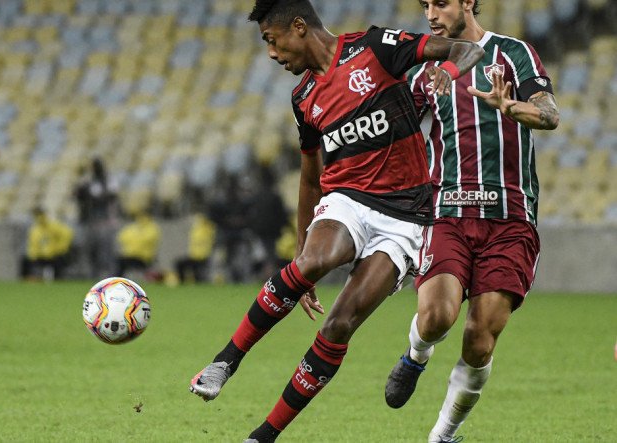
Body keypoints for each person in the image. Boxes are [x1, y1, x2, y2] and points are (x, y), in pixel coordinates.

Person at [188, 1, 484, 441]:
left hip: (406, 216)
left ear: (299, 27)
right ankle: (225, 361)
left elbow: (464, 50)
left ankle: (263, 435)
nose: (271, 54)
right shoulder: (304, 98)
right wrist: (299, 252)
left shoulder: (374, 47)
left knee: (339, 324)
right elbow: (310, 179)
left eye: (272, 41)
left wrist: (448, 71)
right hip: (346, 198)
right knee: (317, 259)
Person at [383, 1, 560, 442]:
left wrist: (510, 106)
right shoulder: (426, 71)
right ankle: (416, 354)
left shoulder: (513, 54)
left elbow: (551, 115)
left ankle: (443, 435)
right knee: (436, 316)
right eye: (424, 4)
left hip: (511, 218)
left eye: (440, 3)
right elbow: (400, 137)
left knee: (480, 339)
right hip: (448, 213)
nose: (430, 13)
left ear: (468, 2)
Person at [74, 157, 120, 279]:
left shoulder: (108, 180)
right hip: (92, 221)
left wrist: (94, 196)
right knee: (92, 251)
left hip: (106, 221)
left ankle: (110, 275)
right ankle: (94, 275)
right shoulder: (90, 182)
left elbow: (111, 196)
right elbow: (79, 195)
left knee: (106, 251)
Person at [22, 207, 74, 281]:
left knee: (59, 262)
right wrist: (34, 255)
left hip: (55, 255)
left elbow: (67, 235)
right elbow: (33, 245)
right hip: (41, 256)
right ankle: (30, 279)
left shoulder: (54, 226)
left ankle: (58, 279)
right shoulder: (35, 230)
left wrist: (60, 249)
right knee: (25, 261)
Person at [115, 211, 161, 280]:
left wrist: (135, 239)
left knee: (126, 262)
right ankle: (117, 280)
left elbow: (149, 239)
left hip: (144, 257)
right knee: (120, 262)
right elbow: (121, 237)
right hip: (129, 255)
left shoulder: (152, 227)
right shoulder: (132, 227)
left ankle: (119, 280)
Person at [174, 212, 217, 283]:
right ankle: (182, 283)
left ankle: (199, 282)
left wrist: (206, 222)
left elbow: (211, 231)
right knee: (179, 263)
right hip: (193, 256)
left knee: (198, 272)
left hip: (203, 257)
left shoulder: (209, 229)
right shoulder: (196, 230)